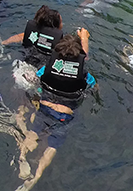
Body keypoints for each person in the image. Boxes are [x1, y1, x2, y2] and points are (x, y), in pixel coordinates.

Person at [17, 30, 93, 188]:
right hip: (65, 115)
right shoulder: (85, 76)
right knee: (53, 146)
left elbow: (37, 82)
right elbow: (94, 88)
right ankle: (37, 175)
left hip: (45, 108)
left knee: (33, 132)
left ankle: (22, 156)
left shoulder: (46, 69)